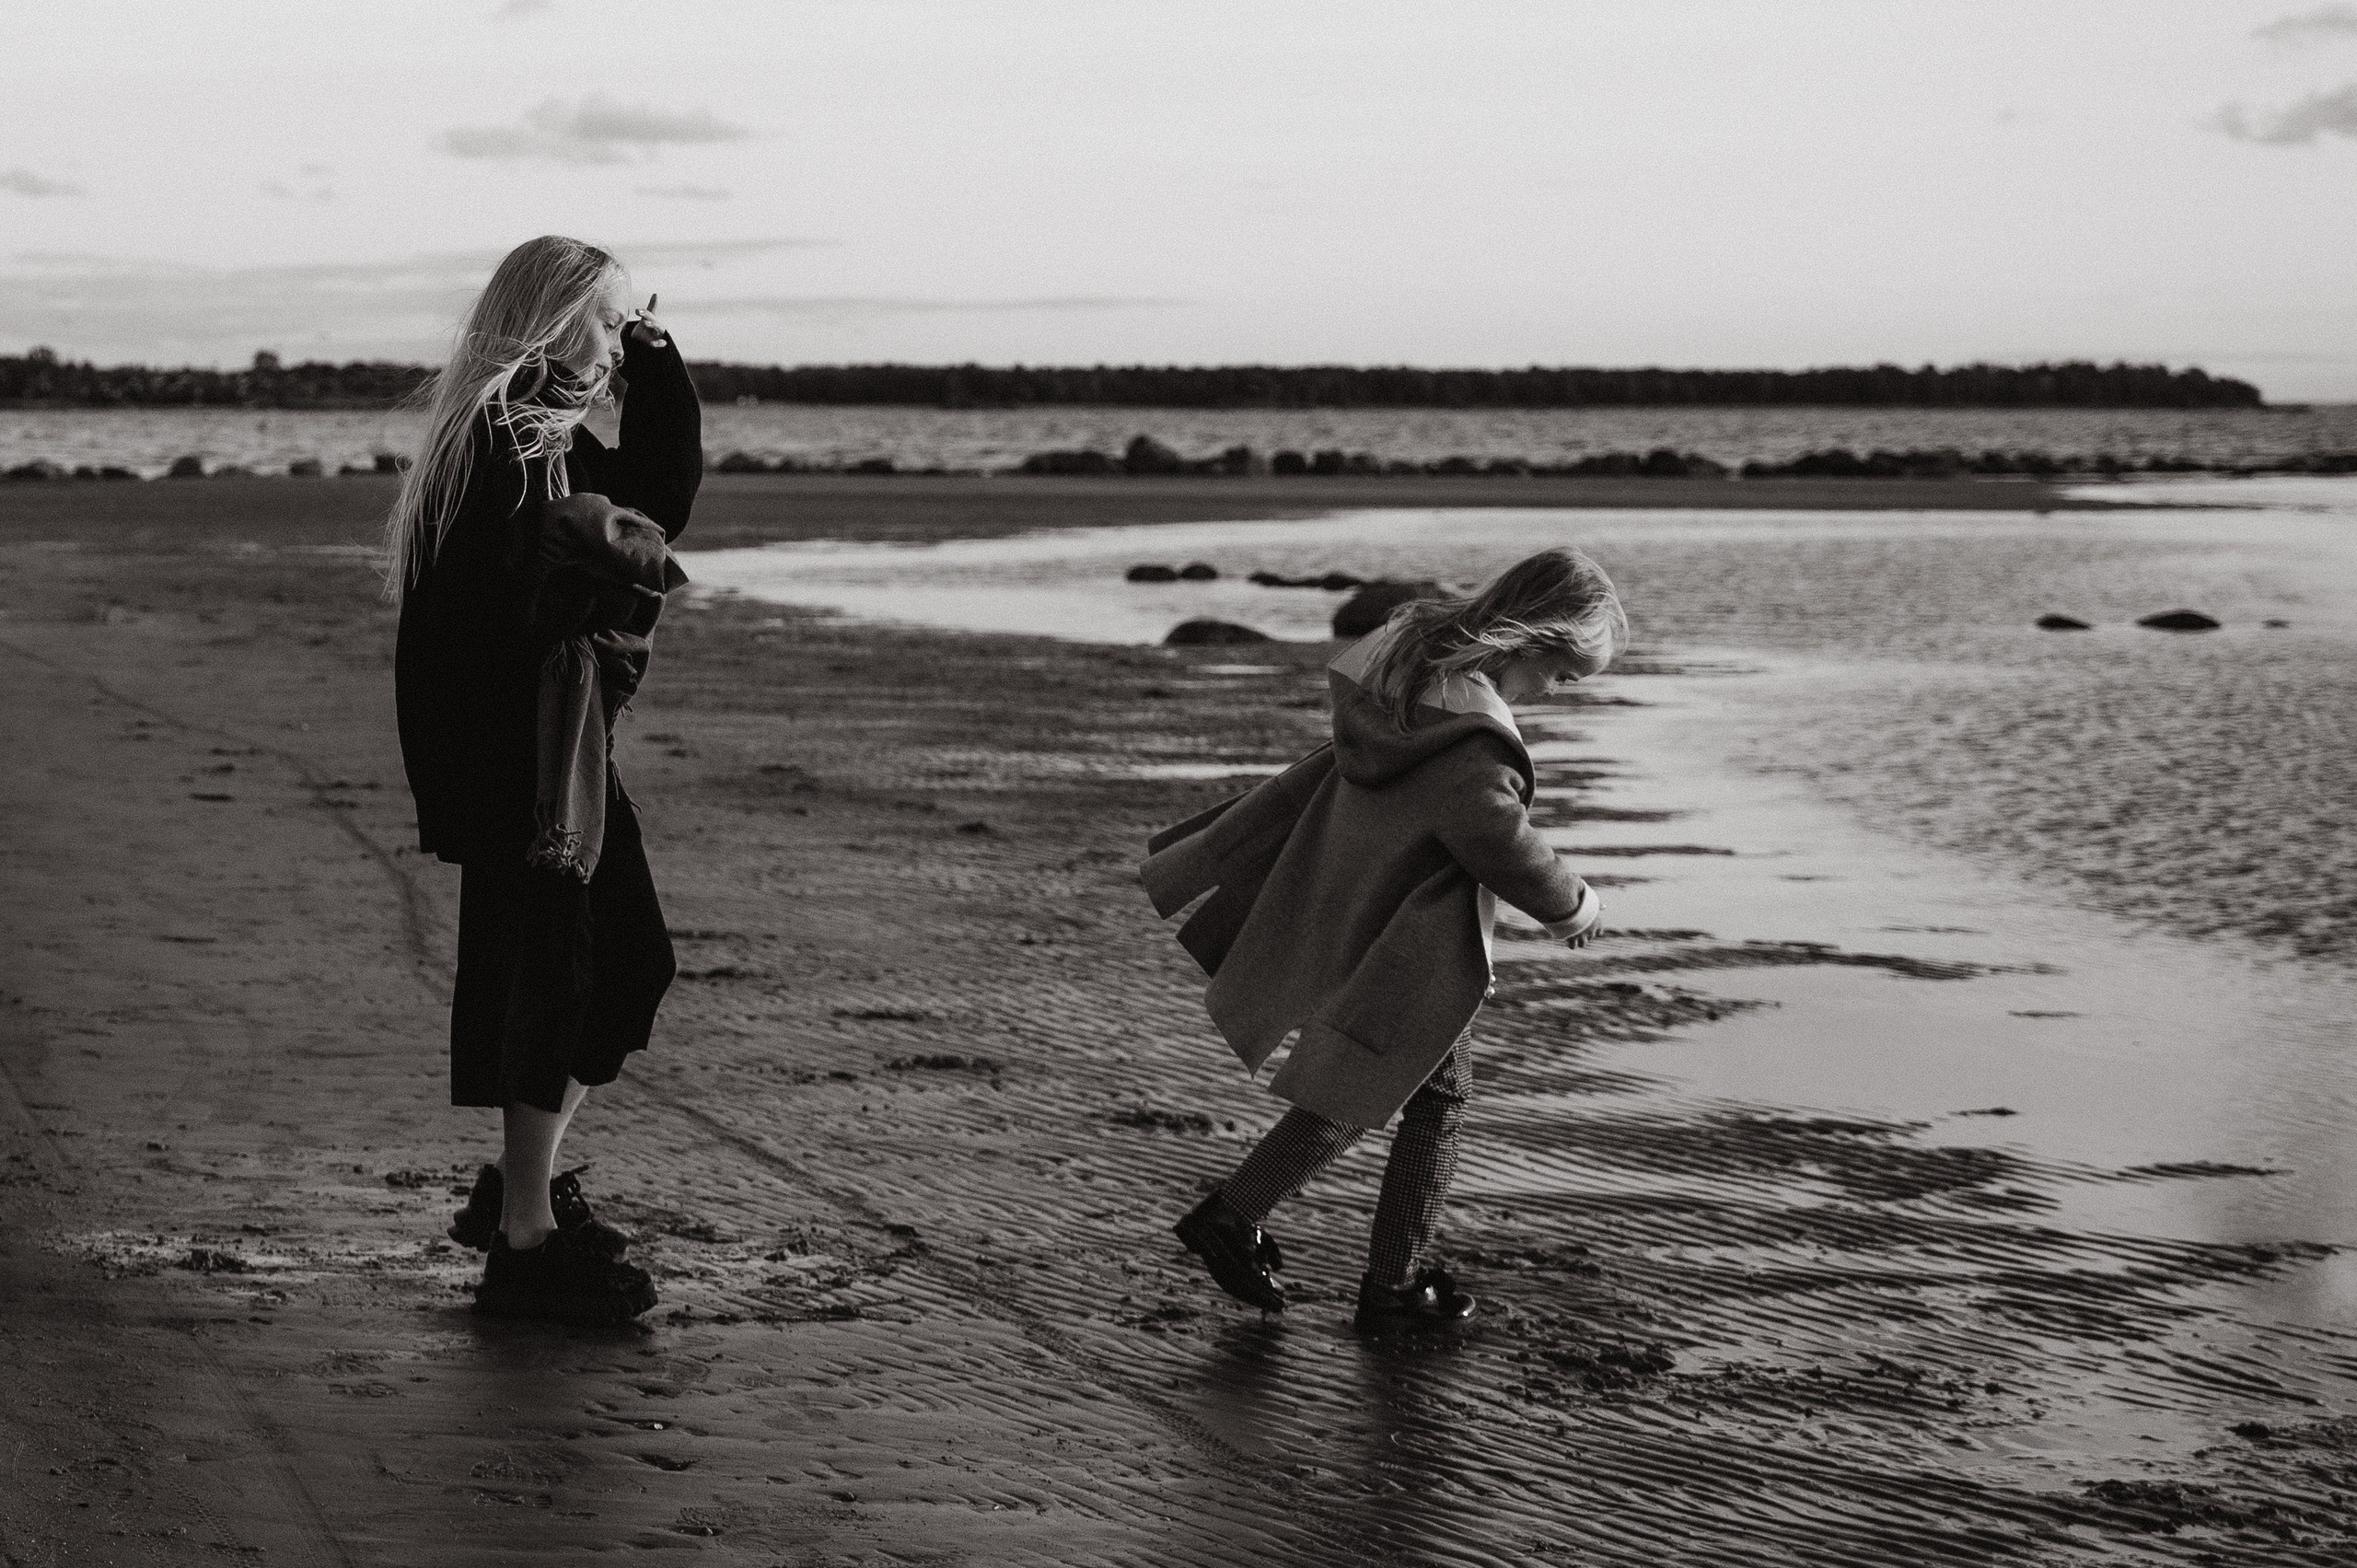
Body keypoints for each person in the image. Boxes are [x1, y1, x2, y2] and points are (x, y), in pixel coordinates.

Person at [1142, 547, 1625, 1334]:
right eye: (1561, 677)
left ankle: (1321, 1249)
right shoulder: (1469, 744)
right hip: (1416, 938)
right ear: (1532, 640)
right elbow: (1497, 837)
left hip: (1356, 891)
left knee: (1383, 1082)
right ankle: (1361, 1271)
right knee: (1407, 1094)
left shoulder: (1400, 662)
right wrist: (1574, 905)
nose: (1554, 695)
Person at [389, 236, 702, 1324]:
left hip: (546, 746)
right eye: (613, 323)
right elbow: (491, 617)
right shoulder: (506, 442)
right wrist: (590, 588)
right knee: (562, 969)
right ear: (556, 316)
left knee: (617, 963)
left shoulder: (540, 436)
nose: (620, 343)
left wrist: (657, 360)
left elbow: (659, 497)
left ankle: (520, 1194)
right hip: (519, 753)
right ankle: (525, 1232)